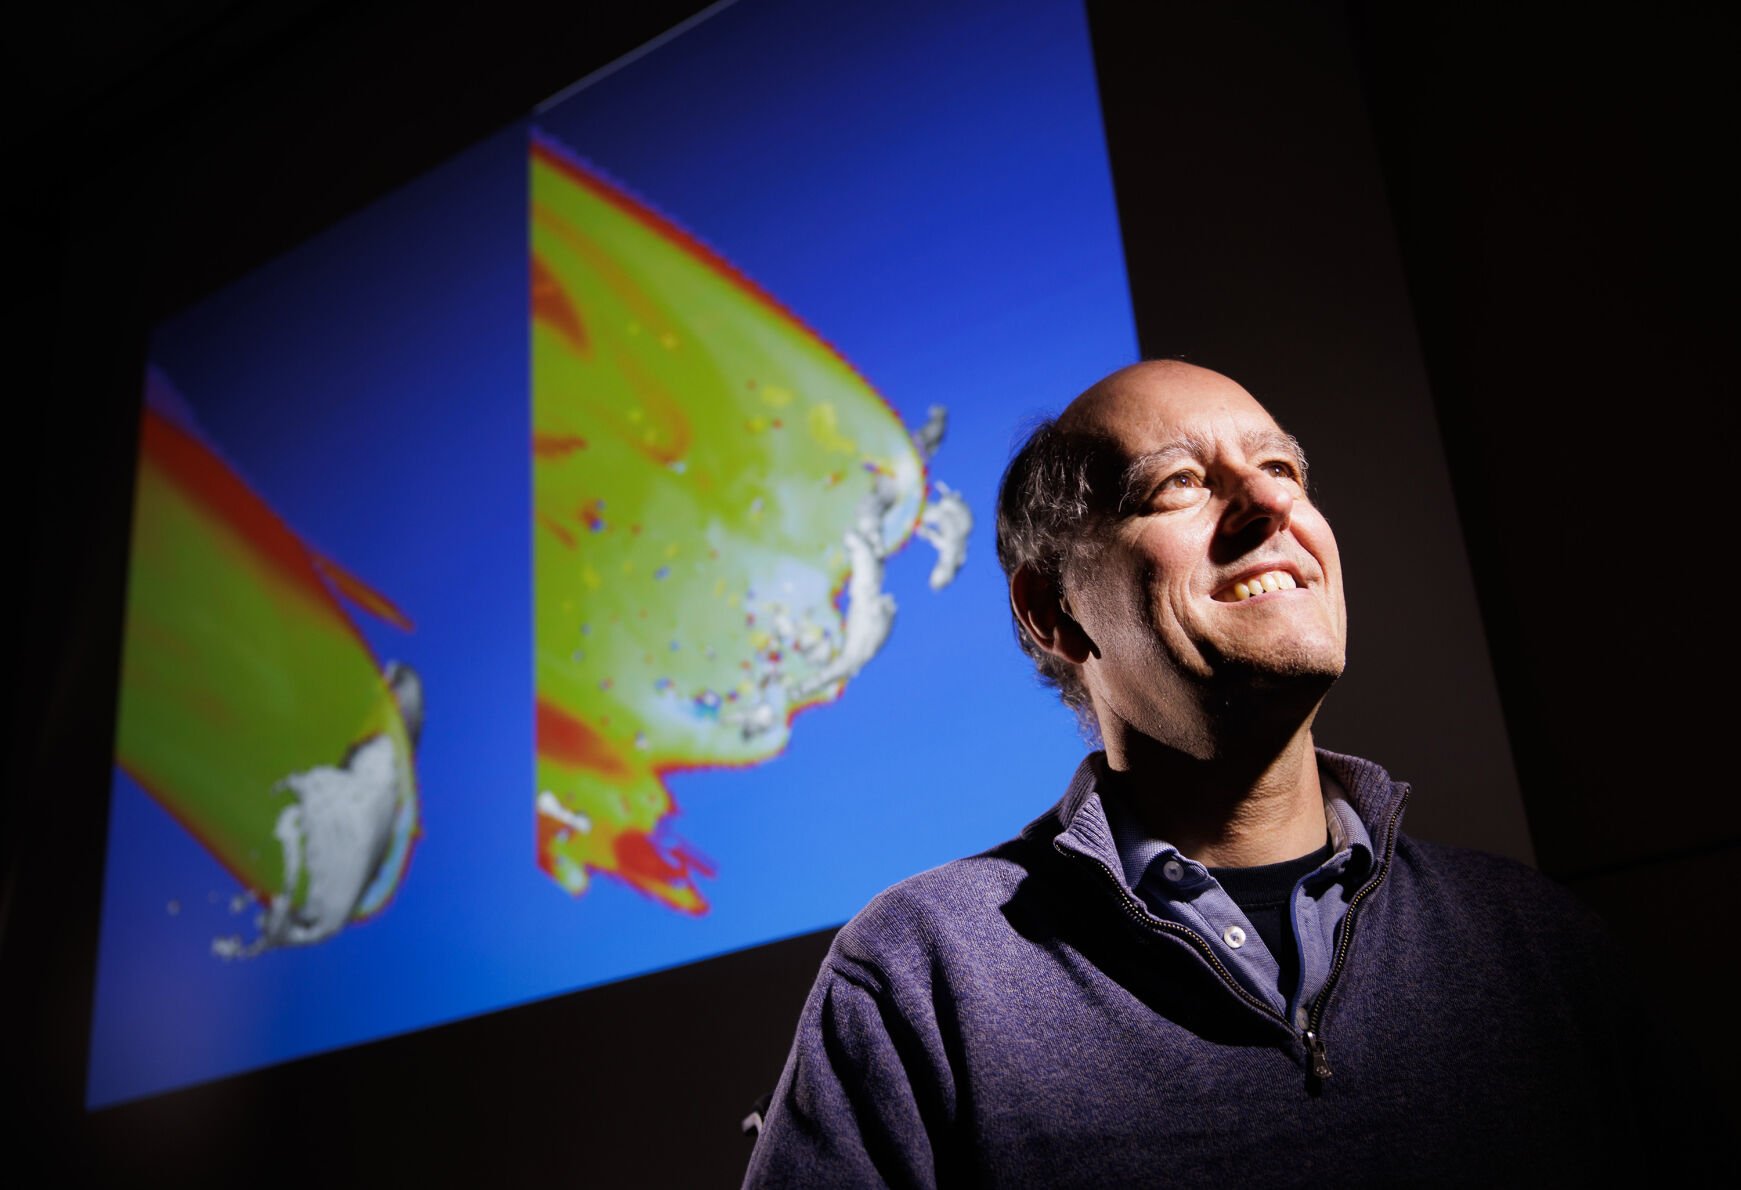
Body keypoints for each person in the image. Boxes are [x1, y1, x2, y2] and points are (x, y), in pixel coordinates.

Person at [742, 361, 1663, 1187]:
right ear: (1052, 612)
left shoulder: (1532, 943)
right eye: (1179, 483)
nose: (1270, 507)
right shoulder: (922, 974)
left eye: (1282, 471)